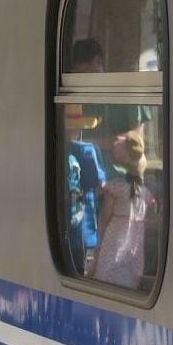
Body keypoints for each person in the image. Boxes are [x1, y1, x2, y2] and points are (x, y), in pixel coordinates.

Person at [88, 133, 151, 289]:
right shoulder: (145, 193)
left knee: (106, 275)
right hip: (134, 247)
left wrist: (98, 243)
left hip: (114, 242)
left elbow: (104, 218)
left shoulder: (116, 188)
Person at [63, 104, 107, 275]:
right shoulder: (88, 150)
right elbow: (100, 184)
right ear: (80, 127)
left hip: (61, 224)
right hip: (83, 226)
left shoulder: (53, 150)